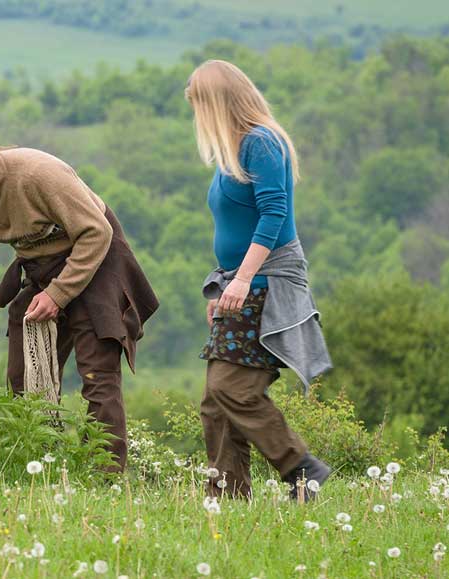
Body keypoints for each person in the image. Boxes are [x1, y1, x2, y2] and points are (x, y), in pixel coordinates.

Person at [0, 125, 158, 472]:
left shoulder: (37, 173)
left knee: (97, 376)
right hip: (41, 268)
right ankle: (38, 469)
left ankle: (104, 476)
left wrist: (58, 294)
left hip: (95, 259)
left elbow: (97, 232)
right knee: (23, 379)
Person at [185, 60, 333, 501]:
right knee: (216, 403)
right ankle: (226, 499)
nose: (197, 116)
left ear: (218, 103)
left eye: (200, 105)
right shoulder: (232, 150)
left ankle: (300, 468)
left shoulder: (260, 143)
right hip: (242, 282)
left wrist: (242, 280)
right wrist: (226, 282)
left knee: (232, 388)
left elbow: (274, 215)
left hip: (268, 281)